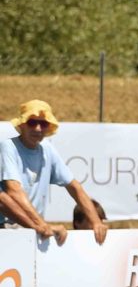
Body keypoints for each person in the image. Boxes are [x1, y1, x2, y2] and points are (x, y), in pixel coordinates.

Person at [1, 100, 107, 244]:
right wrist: (42, 225)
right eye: (32, 122)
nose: (38, 128)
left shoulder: (47, 149)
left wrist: (96, 222)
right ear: (21, 125)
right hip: (7, 230)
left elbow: (74, 186)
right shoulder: (8, 147)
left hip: (33, 229)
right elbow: (14, 192)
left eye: (43, 124)